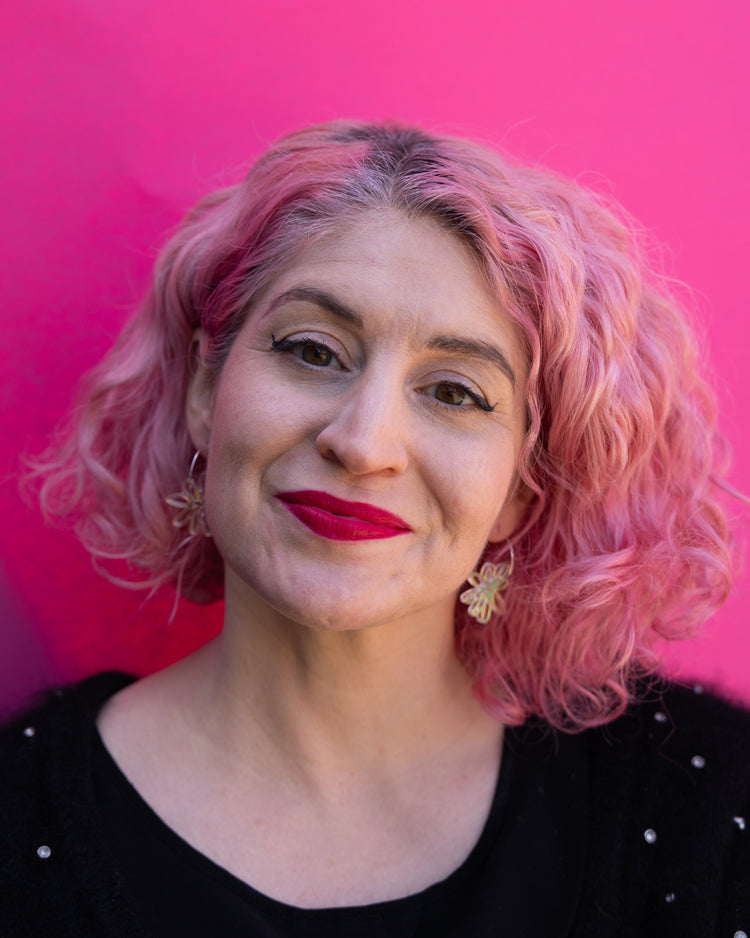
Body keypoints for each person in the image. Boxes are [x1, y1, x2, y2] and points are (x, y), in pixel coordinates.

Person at [1, 121, 748, 936]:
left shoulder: (708, 806)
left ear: (522, 494)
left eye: (456, 393)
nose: (362, 443)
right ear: (205, 389)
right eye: (314, 351)